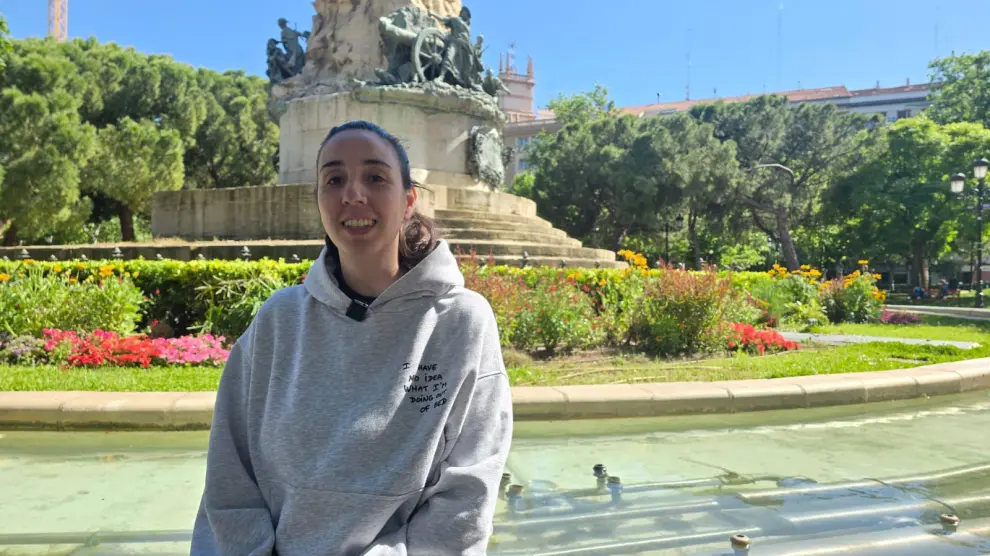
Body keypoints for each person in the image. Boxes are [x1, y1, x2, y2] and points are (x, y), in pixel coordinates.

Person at [191, 120, 514, 555]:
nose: (353, 194)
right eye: (334, 179)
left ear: (408, 201)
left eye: (375, 177)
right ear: (319, 200)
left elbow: (467, 495)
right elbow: (230, 482)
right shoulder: (277, 321)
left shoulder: (462, 321)